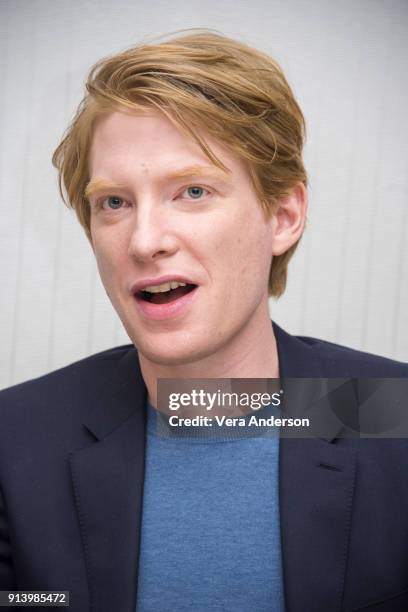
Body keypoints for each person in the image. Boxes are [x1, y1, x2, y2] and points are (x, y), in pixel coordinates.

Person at [0, 31, 407, 612]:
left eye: (192, 191)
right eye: (114, 202)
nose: (144, 241)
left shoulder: (391, 415)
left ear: (284, 216)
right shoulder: (16, 436)